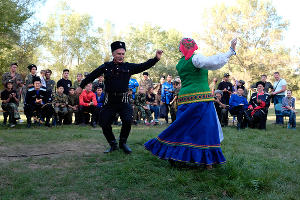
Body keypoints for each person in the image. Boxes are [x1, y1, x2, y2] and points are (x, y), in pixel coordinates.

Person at [145, 38, 237, 169]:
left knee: (184, 127)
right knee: (206, 129)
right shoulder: (196, 59)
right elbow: (213, 62)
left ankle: (177, 155)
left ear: (181, 49)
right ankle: (207, 162)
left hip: (184, 99)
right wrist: (230, 51)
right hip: (201, 99)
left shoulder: (180, 63)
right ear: (193, 47)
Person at [76, 41, 163, 154]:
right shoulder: (106, 66)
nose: (121, 56)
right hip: (110, 101)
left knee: (127, 120)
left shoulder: (128, 67)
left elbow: (143, 66)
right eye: (118, 54)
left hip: (123, 100)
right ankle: (113, 144)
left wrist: (156, 58)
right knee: (104, 122)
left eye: (123, 54)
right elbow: (92, 75)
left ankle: (123, 143)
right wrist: (81, 86)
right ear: (113, 54)